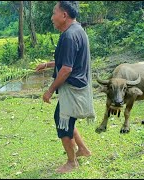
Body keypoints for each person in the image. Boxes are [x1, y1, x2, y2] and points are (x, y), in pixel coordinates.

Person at [35, 1, 95, 173]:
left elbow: (67, 69)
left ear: (64, 15)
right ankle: (83, 150)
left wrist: (49, 90)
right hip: (77, 86)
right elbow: (69, 62)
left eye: (54, 13)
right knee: (67, 119)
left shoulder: (69, 36)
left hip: (73, 88)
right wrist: (47, 64)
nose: (52, 17)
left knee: (62, 121)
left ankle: (71, 162)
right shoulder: (78, 31)